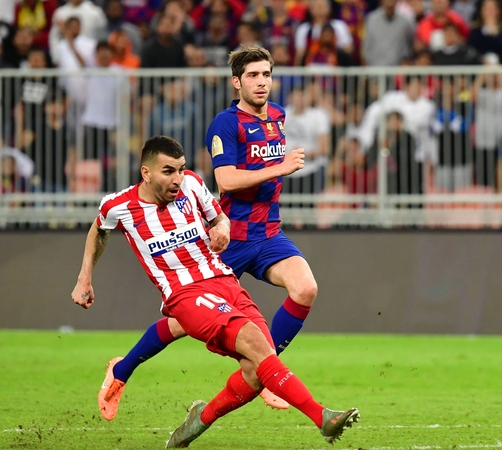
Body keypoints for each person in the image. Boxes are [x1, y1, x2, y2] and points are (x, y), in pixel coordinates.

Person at [71, 135, 360, 447]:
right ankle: (322, 417)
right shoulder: (119, 206)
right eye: (168, 171)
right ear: (146, 173)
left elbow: (218, 216)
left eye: (181, 170)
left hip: (223, 281)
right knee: (255, 343)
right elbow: (98, 230)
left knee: (256, 370)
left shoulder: (193, 184)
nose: (178, 179)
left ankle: (199, 420)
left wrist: (222, 229)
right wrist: (84, 277)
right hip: (184, 294)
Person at [91, 47, 328, 421]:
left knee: (306, 288)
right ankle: (121, 370)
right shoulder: (225, 123)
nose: (261, 82)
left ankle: (266, 372)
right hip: (229, 238)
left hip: (267, 234)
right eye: (252, 75)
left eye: (266, 74)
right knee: (181, 323)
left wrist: (277, 169)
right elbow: (226, 180)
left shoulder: (279, 116)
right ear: (237, 82)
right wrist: (279, 168)